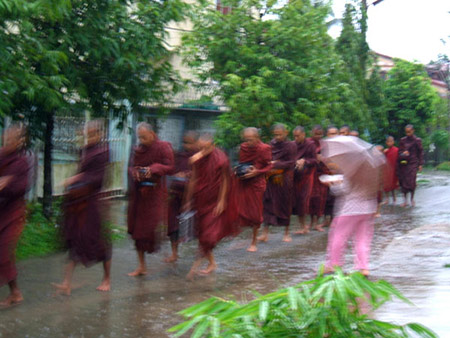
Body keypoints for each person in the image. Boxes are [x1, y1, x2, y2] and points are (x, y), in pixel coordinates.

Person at [52, 121, 111, 295]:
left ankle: (107, 278)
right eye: (88, 134)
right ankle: (66, 282)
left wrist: (77, 179)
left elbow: (98, 178)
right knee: (75, 241)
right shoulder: (86, 151)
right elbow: (82, 171)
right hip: (78, 203)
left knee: (99, 243)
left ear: (100, 134)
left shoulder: (103, 152)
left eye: (93, 134)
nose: (90, 137)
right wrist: (76, 181)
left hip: (92, 202)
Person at [324, 140, 384, 278]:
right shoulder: (372, 172)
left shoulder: (352, 172)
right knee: (362, 239)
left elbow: (341, 190)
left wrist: (332, 184)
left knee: (338, 236)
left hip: (349, 210)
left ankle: (334, 265)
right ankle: (363, 267)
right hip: (368, 209)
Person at [184, 133, 238, 279]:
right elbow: (194, 178)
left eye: (206, 148)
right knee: (203, 234)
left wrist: (222, 200)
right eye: (200, 148)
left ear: (213, 146)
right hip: (201, 200)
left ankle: (194, 268)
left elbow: (226, 180)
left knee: (208, 236)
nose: (202, 151)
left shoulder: (221, 159)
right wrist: (188, 200)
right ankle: (212, 263)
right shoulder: (198, 158)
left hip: (215, 202)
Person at [127, 122, 174, 276]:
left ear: (152, 134)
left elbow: (170, 166)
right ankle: (142, 266)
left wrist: (152, 169)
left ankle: (162, 247)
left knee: (151, 228)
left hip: (155, 193)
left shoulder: (163, 147)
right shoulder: (138, 150)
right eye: (139, 137)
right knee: (137, 231)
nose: (142, 141)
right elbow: (131, 166)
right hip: (139, 194)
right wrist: (135, 172)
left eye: (145, 137)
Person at [0, 125, 30, 306]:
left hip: (13, 212)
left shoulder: (22, 162)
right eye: (6, 139)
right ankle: (15, 292)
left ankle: (15, 293)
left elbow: (23, 187)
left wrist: (7, 183)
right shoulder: (1, 156)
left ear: (20, 142)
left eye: (12, 139)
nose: (7, 142)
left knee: (3, 252)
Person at [234, 127, 272, 252]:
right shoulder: (243, 147)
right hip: (244, 182)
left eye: (250, 140)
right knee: (239, 210)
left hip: (256, 183)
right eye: (246, 139)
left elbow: (269, 166)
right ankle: (242, 238)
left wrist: (257, 172)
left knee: (255, 213)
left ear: (257, 137)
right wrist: (238, 169)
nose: (248, 143)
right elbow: (242, 163)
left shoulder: (264, 148)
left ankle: (254, 241)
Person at [165, 131, 199, 263]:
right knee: (173, 224)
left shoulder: (200, 158)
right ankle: (174, 253)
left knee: (196, 225)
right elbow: (172, 169)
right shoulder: (180, 156)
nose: (186, 146)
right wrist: (178, 174)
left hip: (194, 196)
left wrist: (189, 175)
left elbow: (202, 176)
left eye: (190, 143)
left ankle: (200, 252)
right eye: (185, 142)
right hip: (176, 193)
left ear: (196, 143)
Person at [259, 124, 296, 242]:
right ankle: (265, 233)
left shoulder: (291, 145)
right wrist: (270, 163)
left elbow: (291, 163)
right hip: (271, 178)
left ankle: (286, 233)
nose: (278, 137)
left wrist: (275, 164)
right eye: (276, 134)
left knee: (285, 205)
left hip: (284, 179)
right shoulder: (272, 144)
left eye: (280, 134)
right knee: (268, 204)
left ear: (286, 133)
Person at [292, 126, 317, 234]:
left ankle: (305, 226)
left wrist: (304, 161)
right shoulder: (292, 145)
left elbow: (314, 160)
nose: (296, 138)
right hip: (295, 175)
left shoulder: (310, 145)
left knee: (303, 200)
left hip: (306, 176)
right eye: (294, 136)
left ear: (303, 135)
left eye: (298, 136)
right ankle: (302, 226)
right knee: (296, 201)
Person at [308, 125, 329, 232]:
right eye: (316, 134)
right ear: (311, 133)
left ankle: (316, 223)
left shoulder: (325, 144)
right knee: (311, 198)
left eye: (320, 134)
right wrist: (313, 158)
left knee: (320, 199)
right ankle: (311, 222)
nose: (318, 136)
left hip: (321, 173)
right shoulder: (308, 143)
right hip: (310, 174)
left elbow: (329, 158)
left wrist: (323, 159)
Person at [397, 125, 424, 207]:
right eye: (406, 132)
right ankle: (405, 200)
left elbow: (420, 152)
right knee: (404, 181)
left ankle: (412, 199)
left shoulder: (417, 140)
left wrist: (420, 164)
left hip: (413, 162)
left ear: (413, 131)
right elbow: (399, 151)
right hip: (404, 163)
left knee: (412, 181)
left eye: (409, 131)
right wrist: (403, 153)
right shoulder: (403, 140)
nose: (408, 133)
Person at [383, 136, 399, 204]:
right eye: (388, 141)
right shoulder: (386, 151)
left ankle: (394, 198)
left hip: (394, 170)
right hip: (387, 170)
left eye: (391, 141)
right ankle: (387, 199)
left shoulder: (397, 150)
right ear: (386, 143)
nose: (390, 143)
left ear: (393, 142)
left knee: (393, 185)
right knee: (386, 185)